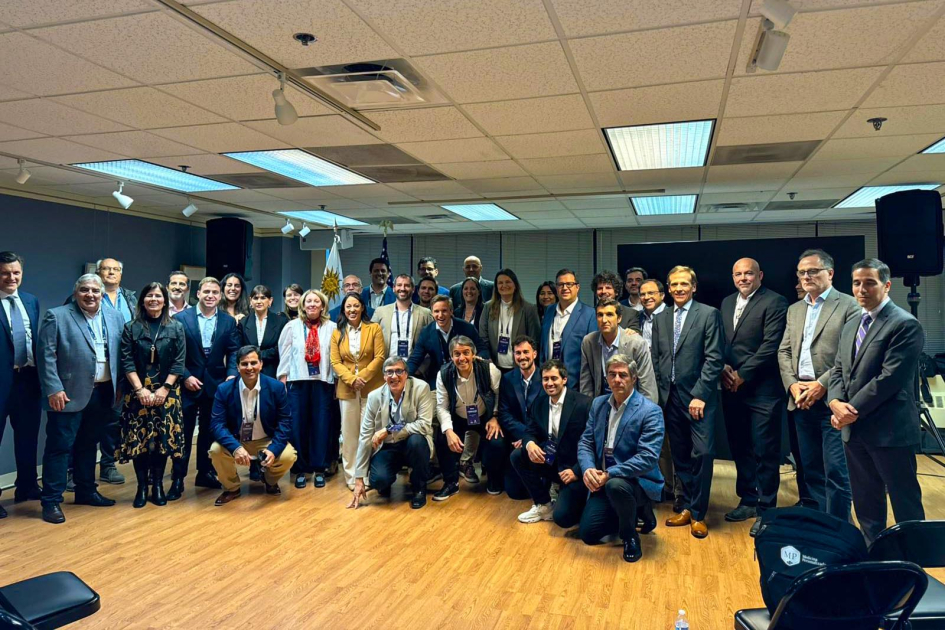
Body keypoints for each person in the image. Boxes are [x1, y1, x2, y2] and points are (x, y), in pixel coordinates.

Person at [828, 258, 926, 545]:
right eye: (856, 283)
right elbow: (838, 369)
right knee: (866, 501)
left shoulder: (905, 324)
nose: (862, 289)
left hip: (890, 431)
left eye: (870, 283)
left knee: (905, 502)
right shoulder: (852, 324)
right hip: (855, 431)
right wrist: (834, 402)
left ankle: (914, 558)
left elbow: (889, 379)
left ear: (887, 285)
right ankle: (875, 554)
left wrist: (849, 410)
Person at [777, 249, 859, 520]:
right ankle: (820, 526)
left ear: (830, 273)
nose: (806, 276)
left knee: (836, 471)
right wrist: (792, 385)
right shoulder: (795, 310)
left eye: (813, 271)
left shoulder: (849, 306)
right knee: (810, 468)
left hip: (833, 401)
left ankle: (840, 529)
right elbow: (784, 351)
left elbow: (851, 354)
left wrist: (821, 384)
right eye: (802, 272)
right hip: (801, 399)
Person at [37, 274, 125, 524]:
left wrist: (120, 386)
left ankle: (86, 491)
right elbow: (46, 355)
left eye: (95, 291)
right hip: (66, 394)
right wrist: (53, 389)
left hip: (103, 392)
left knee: (89, 444)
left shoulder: (115, 317)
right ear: (76, 293)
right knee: (60, 447)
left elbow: (121, 353)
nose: (90, 295)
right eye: (85, 290)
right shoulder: (57, 316)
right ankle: (51, 501)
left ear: (102, 294)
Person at [651, 266, 723, 539]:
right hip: (670, 399)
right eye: (674, 284)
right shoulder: (661, 318)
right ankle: (688, 507)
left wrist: (700, 395)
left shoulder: (708, 314)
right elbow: (657, 358)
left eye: (684, 284)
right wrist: (660, 394)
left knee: (702, 454)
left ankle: (699, 514)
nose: (679, 288)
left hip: (698, 399)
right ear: (668, 289)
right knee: (680, 456)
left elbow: (714, 358)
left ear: (694, 287)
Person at [720, 258, 788, 536]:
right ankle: (748, 500)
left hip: (763, 390)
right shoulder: (727, 303)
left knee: (765, 450)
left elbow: (771, 345)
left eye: (748, 273)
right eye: (738, 274)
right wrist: (724, 368)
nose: (743, 278)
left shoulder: (775, 302)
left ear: (760, 275)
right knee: (740, 447)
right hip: (732, 388)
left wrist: (743, 374)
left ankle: (766, 509)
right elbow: (723, 342)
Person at [576, 355, 665, 563]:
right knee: (588, 534)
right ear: (606, 378)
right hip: (604, 480)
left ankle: (630, 535)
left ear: (633, 378)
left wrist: (609, 474)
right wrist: (588, 469)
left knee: (616, 485)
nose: (617, 379)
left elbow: (648, 457)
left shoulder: (650, 411)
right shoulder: (598, 404)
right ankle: (634, 512)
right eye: (612, 374)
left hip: (636, 481)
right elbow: (585, 442)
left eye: (623, 375)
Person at [169, 277, 240, 500]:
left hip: (216, 385)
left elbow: (234, 351)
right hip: (188, 384)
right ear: (198, 294)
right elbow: (173, 353)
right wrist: (185, 376)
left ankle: (205, 473)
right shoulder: (181, 319)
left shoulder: (228, 321)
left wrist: (231, 374)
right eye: (206, 292)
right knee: (183, 433)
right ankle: (178, 478)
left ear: (220, 296)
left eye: (215, 292)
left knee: (210, 432)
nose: (210, 296)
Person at [118, 282, 185, 509]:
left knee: (161, 442)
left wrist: (164, 389)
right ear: (142, 300)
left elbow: (179, 362)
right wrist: (140, 390)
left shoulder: (176, 327)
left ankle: (157, 486)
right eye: (149, 295)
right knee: (141, 442)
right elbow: (127, 361)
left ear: (165, 301)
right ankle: (141, 487)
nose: (153, 299)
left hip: (167, 393)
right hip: (138, 393)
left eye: (158, 296)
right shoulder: (131, 328)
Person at [208, 345, 298, 505]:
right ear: (237, 367)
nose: (249, 368)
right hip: (237, 440)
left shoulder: (276, 388)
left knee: (289, 455)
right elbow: (217, 425)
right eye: (244, 364)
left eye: (253, 363)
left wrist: (273, 449)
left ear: (261, 364)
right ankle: (231, 488)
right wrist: (235, 448)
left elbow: (285, 422)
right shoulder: (224, 389)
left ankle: (270, 480)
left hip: (266, 440)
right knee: (215, 450)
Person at [511, 359, 592, 527]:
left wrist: (577, 471)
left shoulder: (584, 404)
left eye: (554, 378)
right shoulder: (539, 403)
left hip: (573, 469)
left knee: (563, 518)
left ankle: (574, 498)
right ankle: (543, 504)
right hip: (550, 461)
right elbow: (529, 431)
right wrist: (530, 444)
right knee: (518, 455)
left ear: (564, 379)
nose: (549, 383)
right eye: (545, 379)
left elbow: (593, 444)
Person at [348, 356, 434, 510]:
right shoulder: (374, 396)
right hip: (388, 446)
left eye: (399, 371)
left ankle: (419, 488)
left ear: (406, 374)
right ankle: (386, 482)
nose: (394, 376)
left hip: (412, 442)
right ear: (384, 377)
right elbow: (365, 436)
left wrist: (389, 430)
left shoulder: (421, 388)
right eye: (389, 372)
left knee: (417, 442)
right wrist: (359, 478)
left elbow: (424, 425)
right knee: (379, 481)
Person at [277, 289, 337, 489]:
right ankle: (300, 469)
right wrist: (282, 380)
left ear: (323, 305)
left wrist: (336, 382)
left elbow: (335, 357)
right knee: (298, 425)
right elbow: (285, 354)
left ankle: (319, 468)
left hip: (323, 382)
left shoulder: (332, 327)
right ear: (302, 305)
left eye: (316, 301)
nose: (312, 304)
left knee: (322, 425)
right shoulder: (292, 326)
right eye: (308, 301)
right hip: (297, 382)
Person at [432, 335, 503, 500]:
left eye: (466, 352)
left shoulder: (488, 369)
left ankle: (493, 479)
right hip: (458, 416)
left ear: (473, 354)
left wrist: (495, 416)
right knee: (442, 438)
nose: (462, 358)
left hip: (485, 416)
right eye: (457, 354)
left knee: (496, 442)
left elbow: (500, 394)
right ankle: (451, 483)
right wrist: (448, 431)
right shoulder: (443, 374)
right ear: (451, 356)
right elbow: (442, 406)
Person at [0, 251, 42, 516]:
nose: (11, 278)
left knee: (27, 437)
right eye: (5, 273)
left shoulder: (30, 301)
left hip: (27, 381)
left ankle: (26, 486)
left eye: (16, 272)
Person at [330, 292, 386, 490]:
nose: (352, 310)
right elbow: (335, 361)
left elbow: (380, 357)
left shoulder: (374, 328)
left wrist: (362, 377)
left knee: (369, 432)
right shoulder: (337, 332)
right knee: (349, 435)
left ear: (362, 307)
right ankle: (352, 476)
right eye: (348, 306)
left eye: (356, 305)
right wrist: (352, 380)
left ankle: (368, 474)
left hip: (371, 388)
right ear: (343, 310)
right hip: (347, 389)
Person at [96, 257, 137, 485]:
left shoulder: (131, 298)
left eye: (115, 269)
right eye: (106, 269)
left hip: (123, 370)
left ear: (121, 274)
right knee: (85, 421)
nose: (111, 272)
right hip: (96, 368)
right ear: (98, 272)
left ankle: (108, 465)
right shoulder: (88, 294)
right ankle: (73, 470)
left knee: (113, 421)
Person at [580, 298, 657, 402]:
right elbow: (586, 383)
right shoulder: (589, 341)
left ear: (619, 318)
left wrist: (644, 411)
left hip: (631, 403)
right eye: (600, 315)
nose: (604, 320)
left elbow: (647, 387)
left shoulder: (636, 343)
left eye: (609, 314)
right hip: (601, 402)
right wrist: (588, 408)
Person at [407, 295, 489, 388]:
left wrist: (476, 360)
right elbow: (415, 359)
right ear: (432, 313)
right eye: (436, 311)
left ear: (451, 311)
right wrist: (404, 376)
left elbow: (483, 350)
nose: (440, 315)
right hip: (438, 378)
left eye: (444, 311)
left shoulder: (467, 328)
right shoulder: (426, 332)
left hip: (465, 375)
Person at [539, 269, 597, 390]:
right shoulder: (549, 311)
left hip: (574, 385)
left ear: (577, 287)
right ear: (556, 288)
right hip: (549, 383)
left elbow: (592, 355)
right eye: (561, 284)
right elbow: (543, 346)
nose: (565, 288)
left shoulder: (589, 314)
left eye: (569, 284)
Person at [479, 269, 541, 374]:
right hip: (494, 366)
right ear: (496, 287)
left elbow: (534, 339)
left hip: (520, 367)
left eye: (508, 282)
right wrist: (488, 360)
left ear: (515, 285)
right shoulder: (488, 307)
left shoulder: (528, 309)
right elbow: (483, 336)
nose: (504, 285)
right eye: (500, 283)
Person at [372, 274, 432, 360]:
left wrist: (422, 367)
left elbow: (431, 343)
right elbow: (370, 339)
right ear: (394, 288)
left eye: (407, 285)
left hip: (414, 366)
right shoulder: (380, 312)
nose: (403, 288)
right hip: (387, 365)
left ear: (413, 289)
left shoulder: (425, 313)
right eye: (399, 285)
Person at [240, 285, 288, 380]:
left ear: (270, 301)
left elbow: (280, 349)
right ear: (250, 301)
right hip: (249, 372)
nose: (259, 301)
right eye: (255, 298)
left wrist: (256, 355)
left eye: (263, 298)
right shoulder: (243, 322)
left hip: (273, 372)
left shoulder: (281, 322)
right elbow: (241, 348)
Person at [638, 279, 666, 349]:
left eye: (651, 293)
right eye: (642, 294)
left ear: (662, 295)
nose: (646, 297)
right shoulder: (638, 316)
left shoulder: (672, 316)